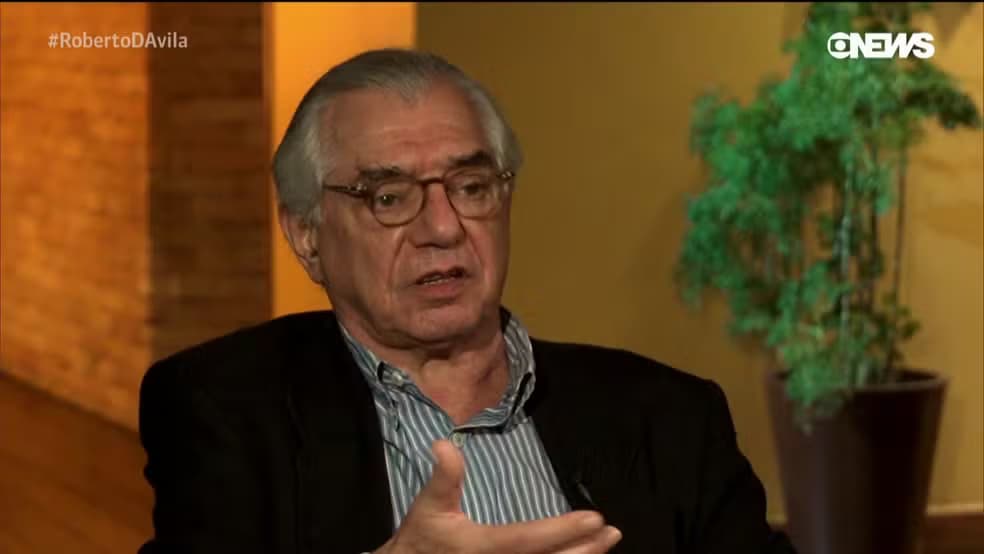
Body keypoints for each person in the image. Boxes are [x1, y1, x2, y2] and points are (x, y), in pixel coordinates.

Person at [137, 48, 795, 554]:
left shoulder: (669, 416)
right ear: (307, 235)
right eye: (389, 197)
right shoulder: (225, 411)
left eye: (471, 187)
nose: (443, 227)